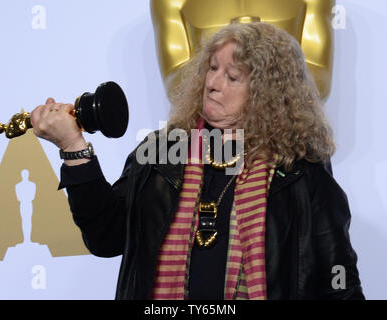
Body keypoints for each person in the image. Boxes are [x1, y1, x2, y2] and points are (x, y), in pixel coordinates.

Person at [30, 22, 364, 300]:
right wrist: (74, 147)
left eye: (232, 77)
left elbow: (340, 284)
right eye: (212, 68)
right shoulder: (159, 154)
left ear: (268, 94)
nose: (213, 84)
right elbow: (106, 237)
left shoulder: (300, 171)